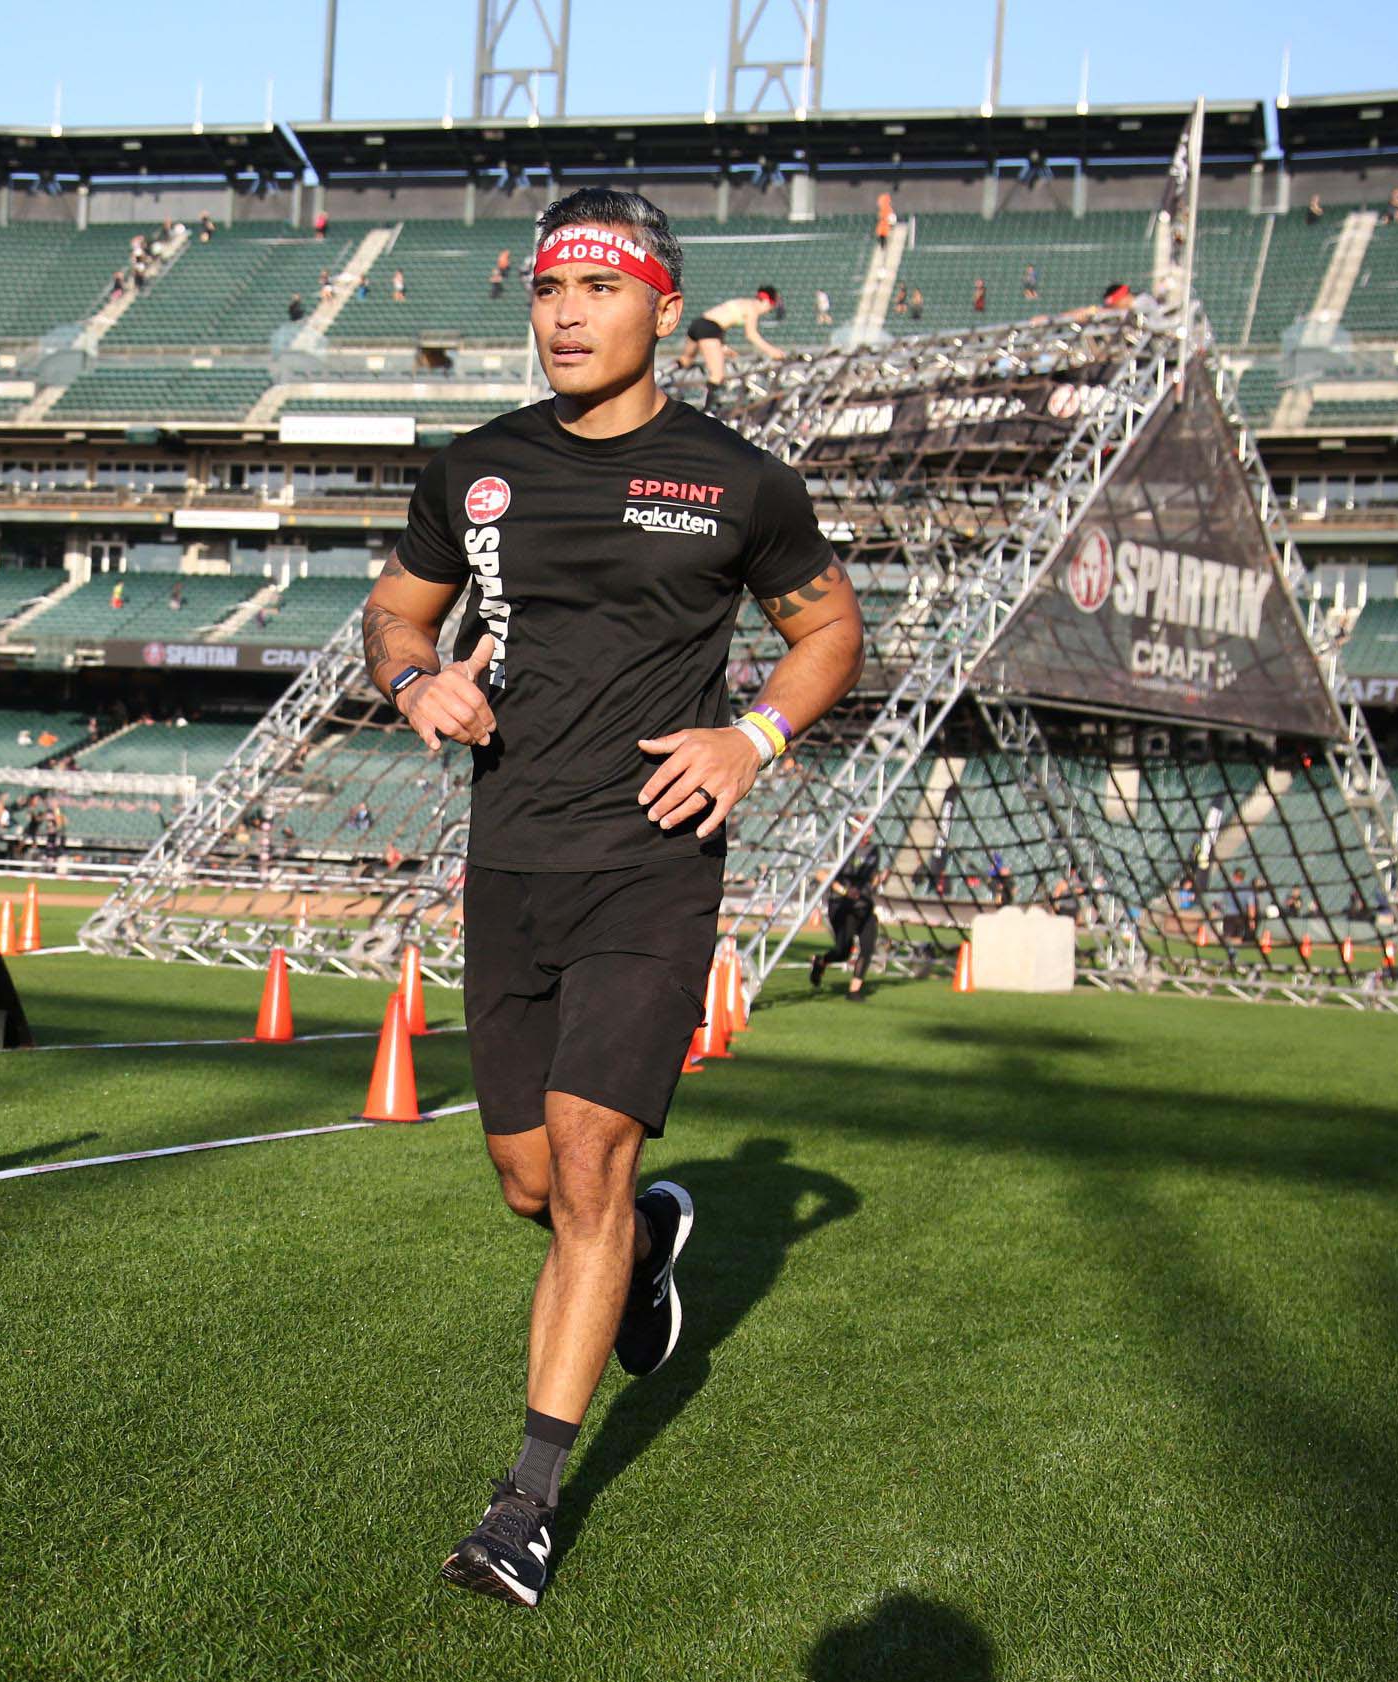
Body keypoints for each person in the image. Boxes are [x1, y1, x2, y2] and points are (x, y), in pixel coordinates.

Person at [360, 187, 864, 1609]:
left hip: (650, 862)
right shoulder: (473, 467)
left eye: (597, 288)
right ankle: (644, 1246)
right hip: (508, 860)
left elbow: (828, 627)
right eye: (545, 290)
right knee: (530, 1180)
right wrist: (416, 678)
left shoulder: (737, 479)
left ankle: (522, 1501)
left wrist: (748, 739)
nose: (565, 315)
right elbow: (395, 606)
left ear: (659, 305)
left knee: (586, 1158)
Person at [808, 825, 881, 999]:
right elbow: (820, 873)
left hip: (864, 905)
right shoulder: (841, 845)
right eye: (864, 827)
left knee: (868, 947)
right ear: (854, 829)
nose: (868, 832)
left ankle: (854, 990)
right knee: (844, 951)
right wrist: (844, 891)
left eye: (870, 828)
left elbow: (872, 876)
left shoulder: (874, 850)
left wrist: (877, 881)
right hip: (841, 905)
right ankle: (821, 961)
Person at [671, 285, 787, 392]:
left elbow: (720, 324)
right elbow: (751, 335)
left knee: (686, 360)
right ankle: (706, 409)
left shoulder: (744, 303)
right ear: (766, 301)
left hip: (698, 324)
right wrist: (772, 351)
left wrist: (722, 346)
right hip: (708, 329)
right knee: (717, 376)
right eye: (771, 306)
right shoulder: (753, 308)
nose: (768, 310)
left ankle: (662, 375)